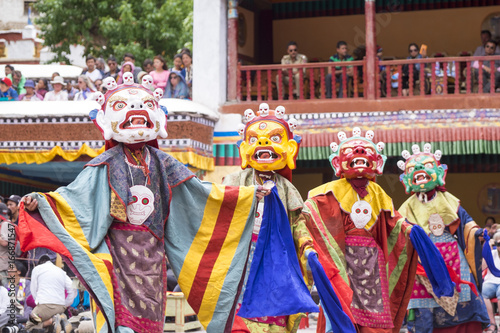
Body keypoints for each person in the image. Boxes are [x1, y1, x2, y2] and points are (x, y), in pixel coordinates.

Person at [19, 77, 269, 333]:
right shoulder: (104, 164)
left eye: (145, 106)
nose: (135, 113)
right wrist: (39, 201)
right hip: (115, 255)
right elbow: (72, 197)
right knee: (120, 324)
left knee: (150, 324)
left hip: (153, 256)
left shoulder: (163, 163)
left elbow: (199, 192)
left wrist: (245, 197)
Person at [296, 129, 455, 333]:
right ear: (337, 163)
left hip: (372, 266)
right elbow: (308, 216)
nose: (360, 151)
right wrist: (307, 245)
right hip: (342, 261)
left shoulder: (378, 192)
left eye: (365, 150)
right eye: (351, 151)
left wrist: (410, 230)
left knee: (375, 319)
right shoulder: (326, 192)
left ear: (378, 162)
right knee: (340, 308)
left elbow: (394, 222)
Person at [224, 104, 316, 333]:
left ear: (290, 148)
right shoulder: (235, 180)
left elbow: (297, 223)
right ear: (244, 148)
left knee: (274, 310)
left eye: (274, 138)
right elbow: (219, 208)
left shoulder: (286, 188)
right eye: (256, 139)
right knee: (237, 307)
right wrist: (247, 195)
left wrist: (307, 246)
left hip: (276, 256)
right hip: (243, 254)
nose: (264, 144)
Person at [397, 143, 489, 332]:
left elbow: (466, 224)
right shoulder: (405, 209)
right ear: (405, 179)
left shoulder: (449, 201)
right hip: (421, 263)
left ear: (440, 173)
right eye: (413, 169)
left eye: (427, 166)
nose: (420, 170)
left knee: (466, 299)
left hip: (452, 259)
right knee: (422, 307)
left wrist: (477, 233)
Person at [26, 255, 75, 332]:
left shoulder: (37, 269)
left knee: (29, 326)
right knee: (51, 329)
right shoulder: (61, 271)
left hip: (43, 307)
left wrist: (38, 303)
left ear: (40, 263)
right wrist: (65, 304)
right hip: (60, 308)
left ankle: (52, 320)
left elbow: (33, 289)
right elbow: (72, 288)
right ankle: (58, 319)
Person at [482, 231, 500, 333]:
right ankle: (492, 323)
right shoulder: (492, 254)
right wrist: (488, 246)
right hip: (490, 282)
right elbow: (482, 267)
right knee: (483, 292)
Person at [6, 261, 34, 328]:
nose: (8, 271)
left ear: (19, 272)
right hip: (11, 314)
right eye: (8, 269)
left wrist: (25, 319)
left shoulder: (27, 283)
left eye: (11, 269)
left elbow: (28, 303)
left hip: (25, 313)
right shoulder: (6, 286)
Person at [0, 203, 12, 287]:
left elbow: (4, 242)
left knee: (6, 292)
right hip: (4, 266)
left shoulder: (5, 224)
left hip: (4, 267)